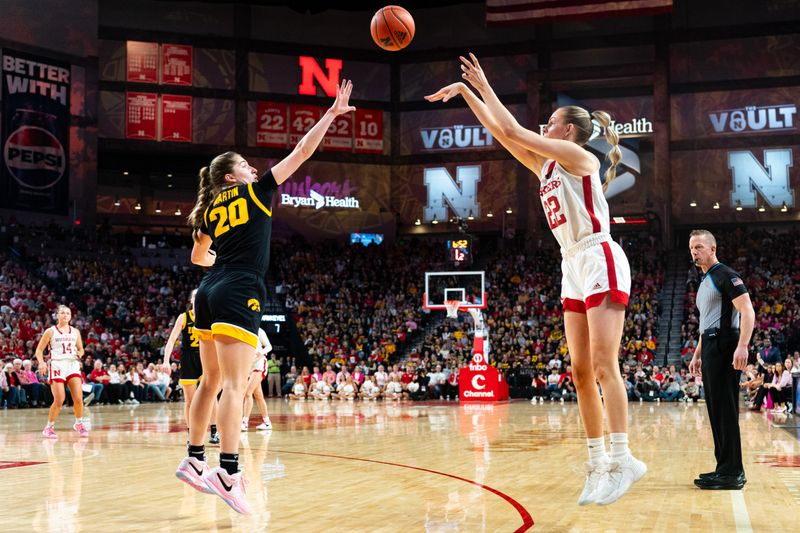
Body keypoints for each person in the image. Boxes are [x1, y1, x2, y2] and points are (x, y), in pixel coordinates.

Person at [427, 55, 643, 506]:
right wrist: (469, 95)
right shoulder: (547, 166)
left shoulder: (579, 156)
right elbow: (502, 137)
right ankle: (597, 464)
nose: (543, 127)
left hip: (599, 254)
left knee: (605, 366)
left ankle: (624, 460)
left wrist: (484, 85)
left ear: (567, 130)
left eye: (549, 122)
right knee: (581, 372)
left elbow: (512, 131)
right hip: (571, 263)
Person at [175, 79, 356, 514]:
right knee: (236, 385)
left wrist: (221, 258)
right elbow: (302, 153)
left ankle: (195, 458)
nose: (255, 170)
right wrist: (330, 115)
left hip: (209, 289)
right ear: (231, 175)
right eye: (247, 166)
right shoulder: (256, 192)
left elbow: (198, 256)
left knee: (211, 382)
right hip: (239, 286)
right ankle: (230, 472)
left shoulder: (210, 210)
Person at [688, 229, 755, 490]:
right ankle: (723, 468)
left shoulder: (726, 275)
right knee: (716, 410)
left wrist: (743, 346)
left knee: (725, 409)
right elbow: (706, 324)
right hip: (711, 345)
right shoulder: (705, 280)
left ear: (713, 249)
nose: (695, 252)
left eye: (700, 247)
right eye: (692, 248)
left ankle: (733, 472)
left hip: (726, 344)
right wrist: (697, 354)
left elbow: (747, 311)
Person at [163, 289, 219, 443]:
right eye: (195, 296)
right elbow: (171, 340)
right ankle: (191, 433)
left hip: (205, 357)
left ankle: (214, 431)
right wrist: (166, 361)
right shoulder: (184, 317)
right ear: (191, 300)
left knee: (212, 395)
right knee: (189, 400)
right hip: (188, 358)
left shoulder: (209, 316)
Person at [34, 305, 89, 438]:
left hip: (72, 364)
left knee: (78, 398)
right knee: (59, 399)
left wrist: (79, 354)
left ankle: (79, 423)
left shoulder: (75, 331)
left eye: (68, 313)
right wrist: (41, 363)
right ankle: (49, 427)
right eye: (62, 313)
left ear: (70, 316)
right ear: (57, 315)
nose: (65, 315)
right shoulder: (50, 331)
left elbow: (81, 349)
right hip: (57, 365)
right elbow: (39, 350)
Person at [242, 328, 273, 431]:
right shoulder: (240, 330)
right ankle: (267, 422)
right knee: (258, 396)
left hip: (260, 364)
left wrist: (261, 352)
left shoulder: (258, 330)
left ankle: (244, 422)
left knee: (247, 393)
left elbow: (269, 346)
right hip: (249, 366)